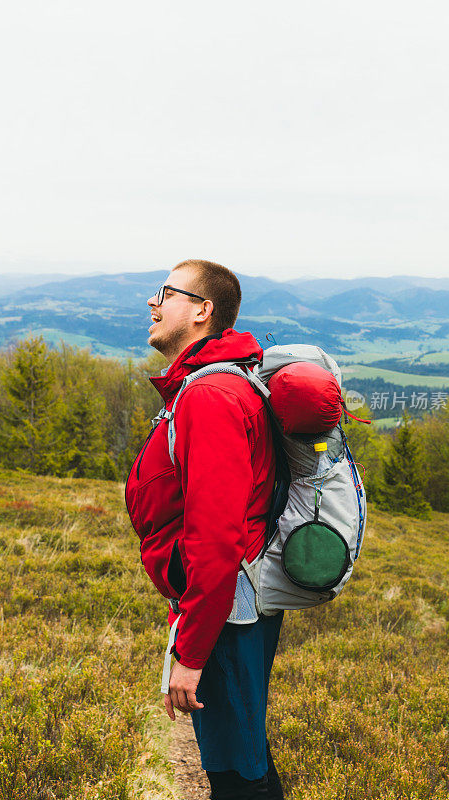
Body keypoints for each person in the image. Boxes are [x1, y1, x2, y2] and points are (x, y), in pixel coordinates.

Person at [125, 259, 285, 800]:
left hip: (227, 613)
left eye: (165, 292)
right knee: (243, 758)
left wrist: (190, 654)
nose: (153, 302)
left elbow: (216, 537)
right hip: (229, 606)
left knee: (240, 777)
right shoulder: (211, 384)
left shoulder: (210, 396)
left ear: (201, 310)